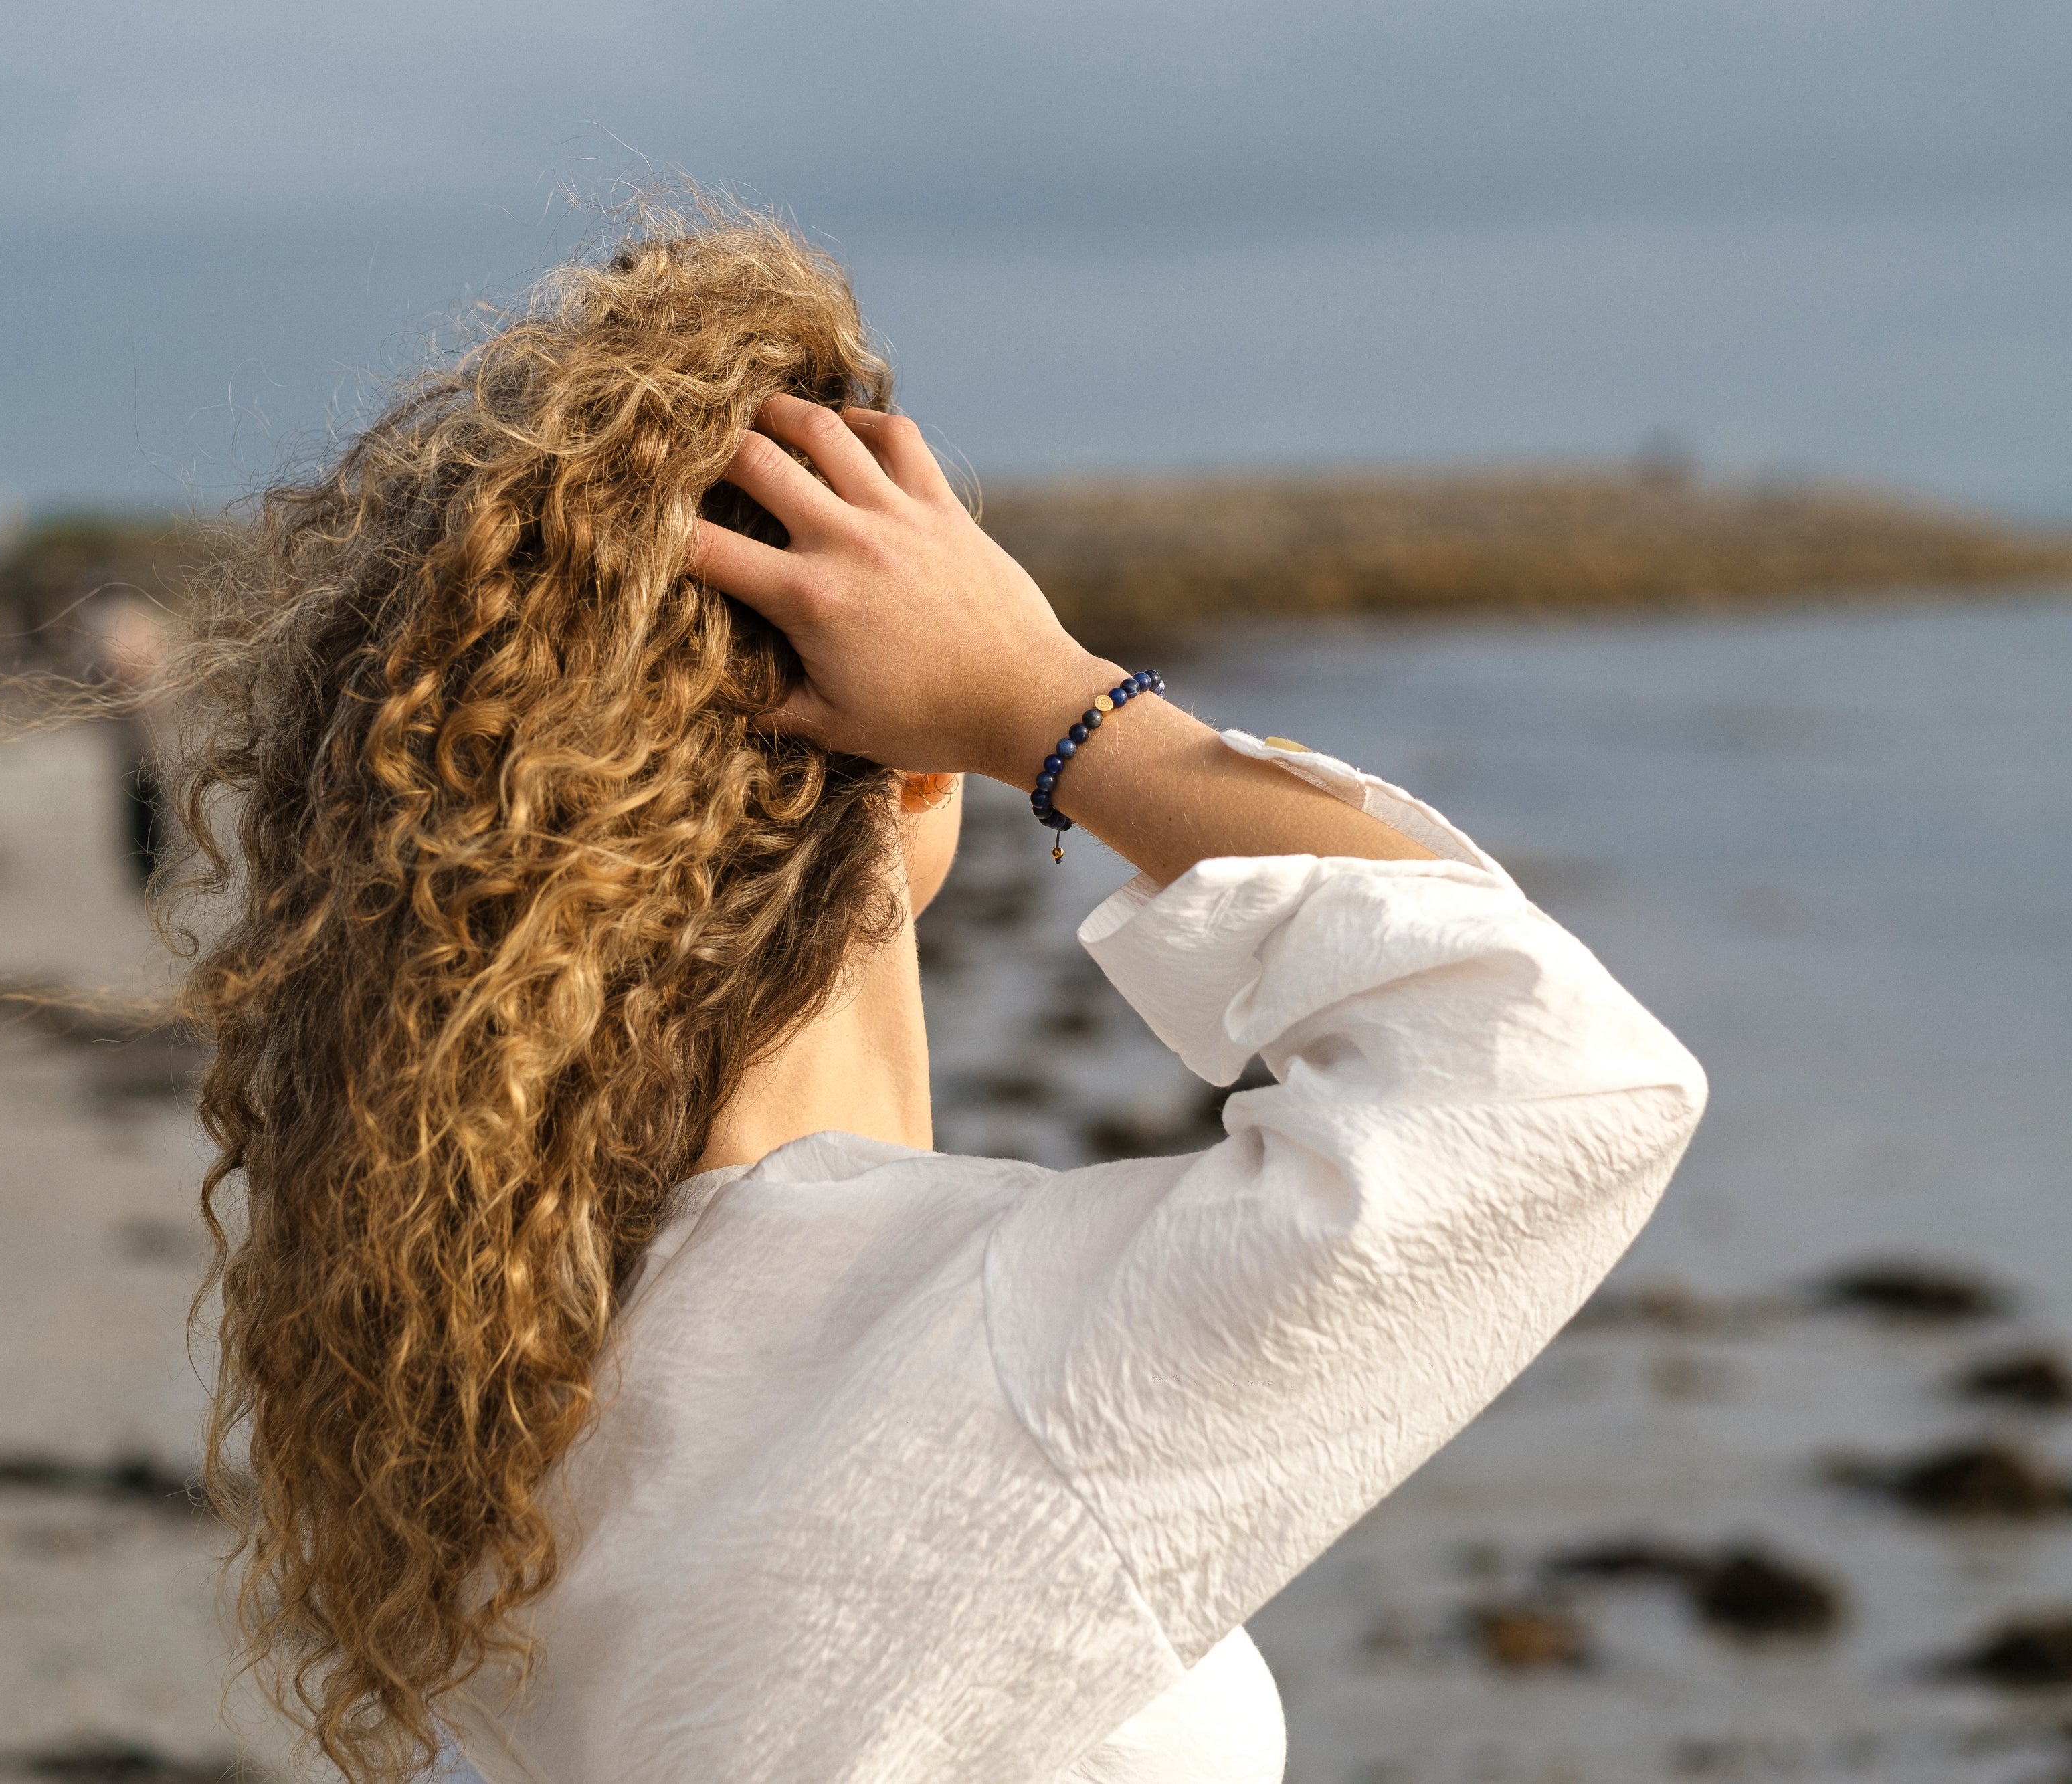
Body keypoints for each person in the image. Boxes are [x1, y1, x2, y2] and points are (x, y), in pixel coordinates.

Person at [163, 210, 1706, 1784]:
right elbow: (1557, 1077)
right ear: (907, 756)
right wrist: (1051, 698)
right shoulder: (950, 1338)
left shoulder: (510, 1383)